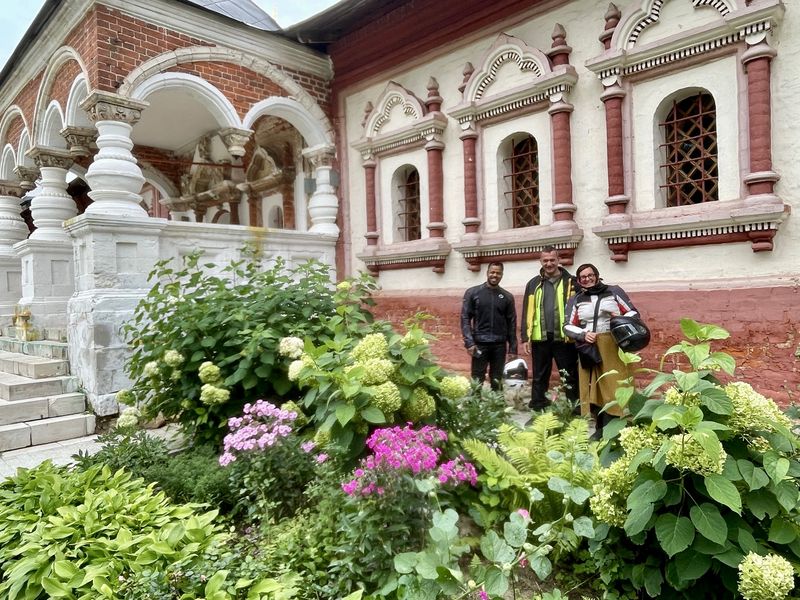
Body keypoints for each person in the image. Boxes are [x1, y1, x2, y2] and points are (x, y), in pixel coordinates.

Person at [564, 263, 639, 434]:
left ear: (597, 276)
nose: (587, 279)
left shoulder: (613, 291)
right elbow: (567, 326)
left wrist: (619, 319)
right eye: (583, 277)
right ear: (580, 280)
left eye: (590, 275)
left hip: (612, 345)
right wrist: (583, 334)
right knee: (593, 387)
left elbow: (633, 313)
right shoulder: (576, 299)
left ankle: (619, 426)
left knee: (614, 384)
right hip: (589, 347)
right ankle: (600, 428)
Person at [520, 246, 579, 411]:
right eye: (545, 260)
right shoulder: (533, 284)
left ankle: (575, 409)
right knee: (539, 376)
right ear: (540, 261)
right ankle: (538, 407)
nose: (549, 263)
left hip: (565, 338)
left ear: (558, 260)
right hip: (541, 337)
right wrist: (525, 337)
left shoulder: (571, 282)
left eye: (552, 260)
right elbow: (527, 310)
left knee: (570, 375)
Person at [461, 262, 517, 390]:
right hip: (480, 343)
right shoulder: (473, 293)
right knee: (477, 378)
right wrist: (469, 342)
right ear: (487, 273)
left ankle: (496, 405)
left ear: (502, 275)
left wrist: (513, 348)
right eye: (492, 272)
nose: (495, 275)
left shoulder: (507, 297)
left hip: (499, 345)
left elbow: (511, 323)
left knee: (497, 378)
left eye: (498, 273)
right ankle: (473, 407)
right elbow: (465, 318)